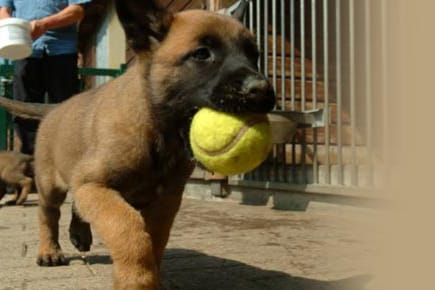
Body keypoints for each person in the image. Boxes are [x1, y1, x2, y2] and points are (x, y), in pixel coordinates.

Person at [0, 0, 91, 154]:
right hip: (25, 49)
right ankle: (29, 160)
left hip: (62, 51)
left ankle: (63, 159)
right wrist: (13, 27)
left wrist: (44, 24)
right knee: (24, 109)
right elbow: (3, 11)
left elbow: (77, 11)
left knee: (66, 109)